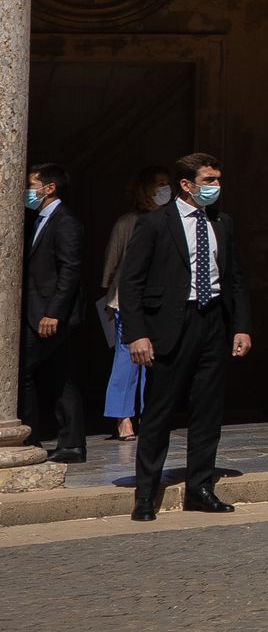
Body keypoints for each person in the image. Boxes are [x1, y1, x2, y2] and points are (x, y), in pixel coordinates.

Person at [120, 152, 253, 520]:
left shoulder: (222, 222)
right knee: (159, 412)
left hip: (212, 323)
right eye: (209, 180)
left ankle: (201, 488)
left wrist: (240, 326)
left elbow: (236, 279)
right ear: (186, 184)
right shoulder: (154, 224)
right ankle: (145, 494)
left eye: (217, 180)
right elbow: (130, 283)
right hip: (169, 327)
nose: (216, 187)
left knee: (208, 411)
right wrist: (137, 334)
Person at [21, 162, 87, 464]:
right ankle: (72, 444)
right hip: (39, 309)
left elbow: (70, 270)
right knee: (63, 376)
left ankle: (28, 437)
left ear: (50, 188)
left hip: (49, 315)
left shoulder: (65, 222)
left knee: (22, 372)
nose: (28, 191)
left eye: (32, 185)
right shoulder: (39, 219)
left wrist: (53, 313)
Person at [100, 166, 172, 442]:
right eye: (159, 185)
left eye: (168, 184)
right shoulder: (127, 222)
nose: (165, 189)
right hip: (127, 301)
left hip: (161, 300)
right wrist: (109, 297)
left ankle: (145, 413)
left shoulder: (172, 219)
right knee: (127, 359)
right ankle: (123, 417)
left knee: (152, 361)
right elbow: (113, 261)